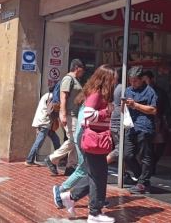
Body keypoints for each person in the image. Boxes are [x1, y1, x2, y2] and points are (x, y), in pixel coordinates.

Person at [56, 65, 116, 223]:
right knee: (97, 176)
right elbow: (88, 117)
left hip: (97, 140)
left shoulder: (101, 95)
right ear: (106, 79)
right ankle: (94, 213)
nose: (115, 81)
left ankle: (70, 196)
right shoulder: (96, 95)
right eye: (113, 78)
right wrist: (107, 112)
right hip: (92, 140)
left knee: (96, 175)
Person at [45, 59, 85, 176]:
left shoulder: (76, 80)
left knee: (74, 140)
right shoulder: (68, 79)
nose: (83, 72)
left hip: (74, 114)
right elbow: (63, 97)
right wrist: (62, 114)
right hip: (69, 115)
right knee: (74, 140)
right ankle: (52, 158)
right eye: (82, 69)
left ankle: (70, 166)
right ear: (77, 67)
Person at [123, 66, 158, 194]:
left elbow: (153, 110)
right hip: (131, 127)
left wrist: (136, 105)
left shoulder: (150, 92)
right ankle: (142, 179)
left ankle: (142, 183)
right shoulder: (127, 90)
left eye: (135, 81)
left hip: (145, 127)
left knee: (145, 156)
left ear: (142, 79)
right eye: (131, 81)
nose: (133, 83)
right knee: (127, 155)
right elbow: (123, 109)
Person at [142, 70, 170, 175]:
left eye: (146, 80)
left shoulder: (160, 92)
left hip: (158, 121)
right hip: (145, 121)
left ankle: (151, 165)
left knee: (160, 145)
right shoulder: (141, 91)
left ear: (152, 79)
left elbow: (166, 106)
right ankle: (148, 169)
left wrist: (165, 119)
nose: (145, 82)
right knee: (146, 147)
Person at [25, 87, 61, 165]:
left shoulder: (46, 95)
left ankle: (59, 158)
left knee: (56, 140)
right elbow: (51, 111)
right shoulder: (52, 97)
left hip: (44, 121)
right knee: (39, 142)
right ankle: (29, 160)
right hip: (45, 123)